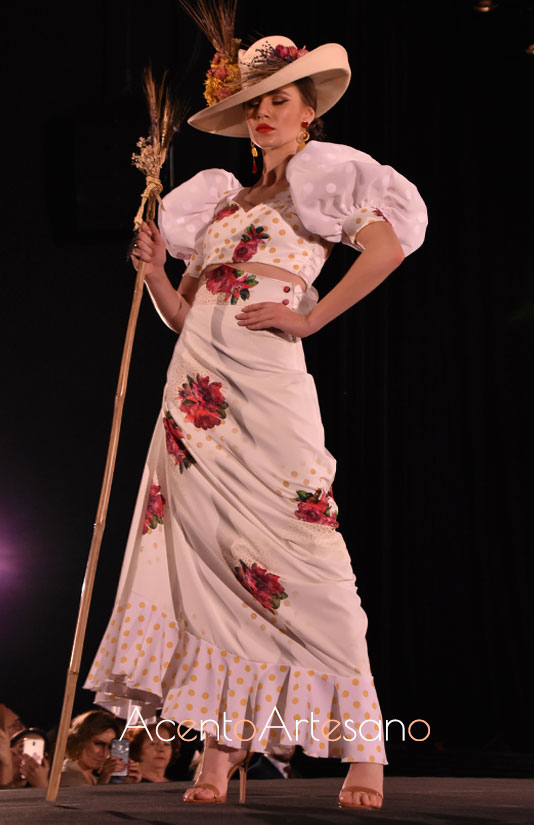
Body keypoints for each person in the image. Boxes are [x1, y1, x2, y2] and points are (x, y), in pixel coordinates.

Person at [83, 23, 428, 811]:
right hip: (192, 400)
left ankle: (365, 750)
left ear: (310, 114)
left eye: (280, 101)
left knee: (308, 560)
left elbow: (384, 251)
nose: (266, 114)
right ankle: (219, 750)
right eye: (256, 105)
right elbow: (185, 315)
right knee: (211, 570)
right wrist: (157, 276)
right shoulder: (219, 200)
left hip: (267, 388)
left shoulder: (324, 179)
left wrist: (312, 318)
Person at [60, 710, 141, 786]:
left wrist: (126, 784)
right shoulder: (66, 778)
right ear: (80, 740)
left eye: (110, 747)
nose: (105, 753)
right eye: (99, 744)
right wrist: (103, 782)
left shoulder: (93, 779)